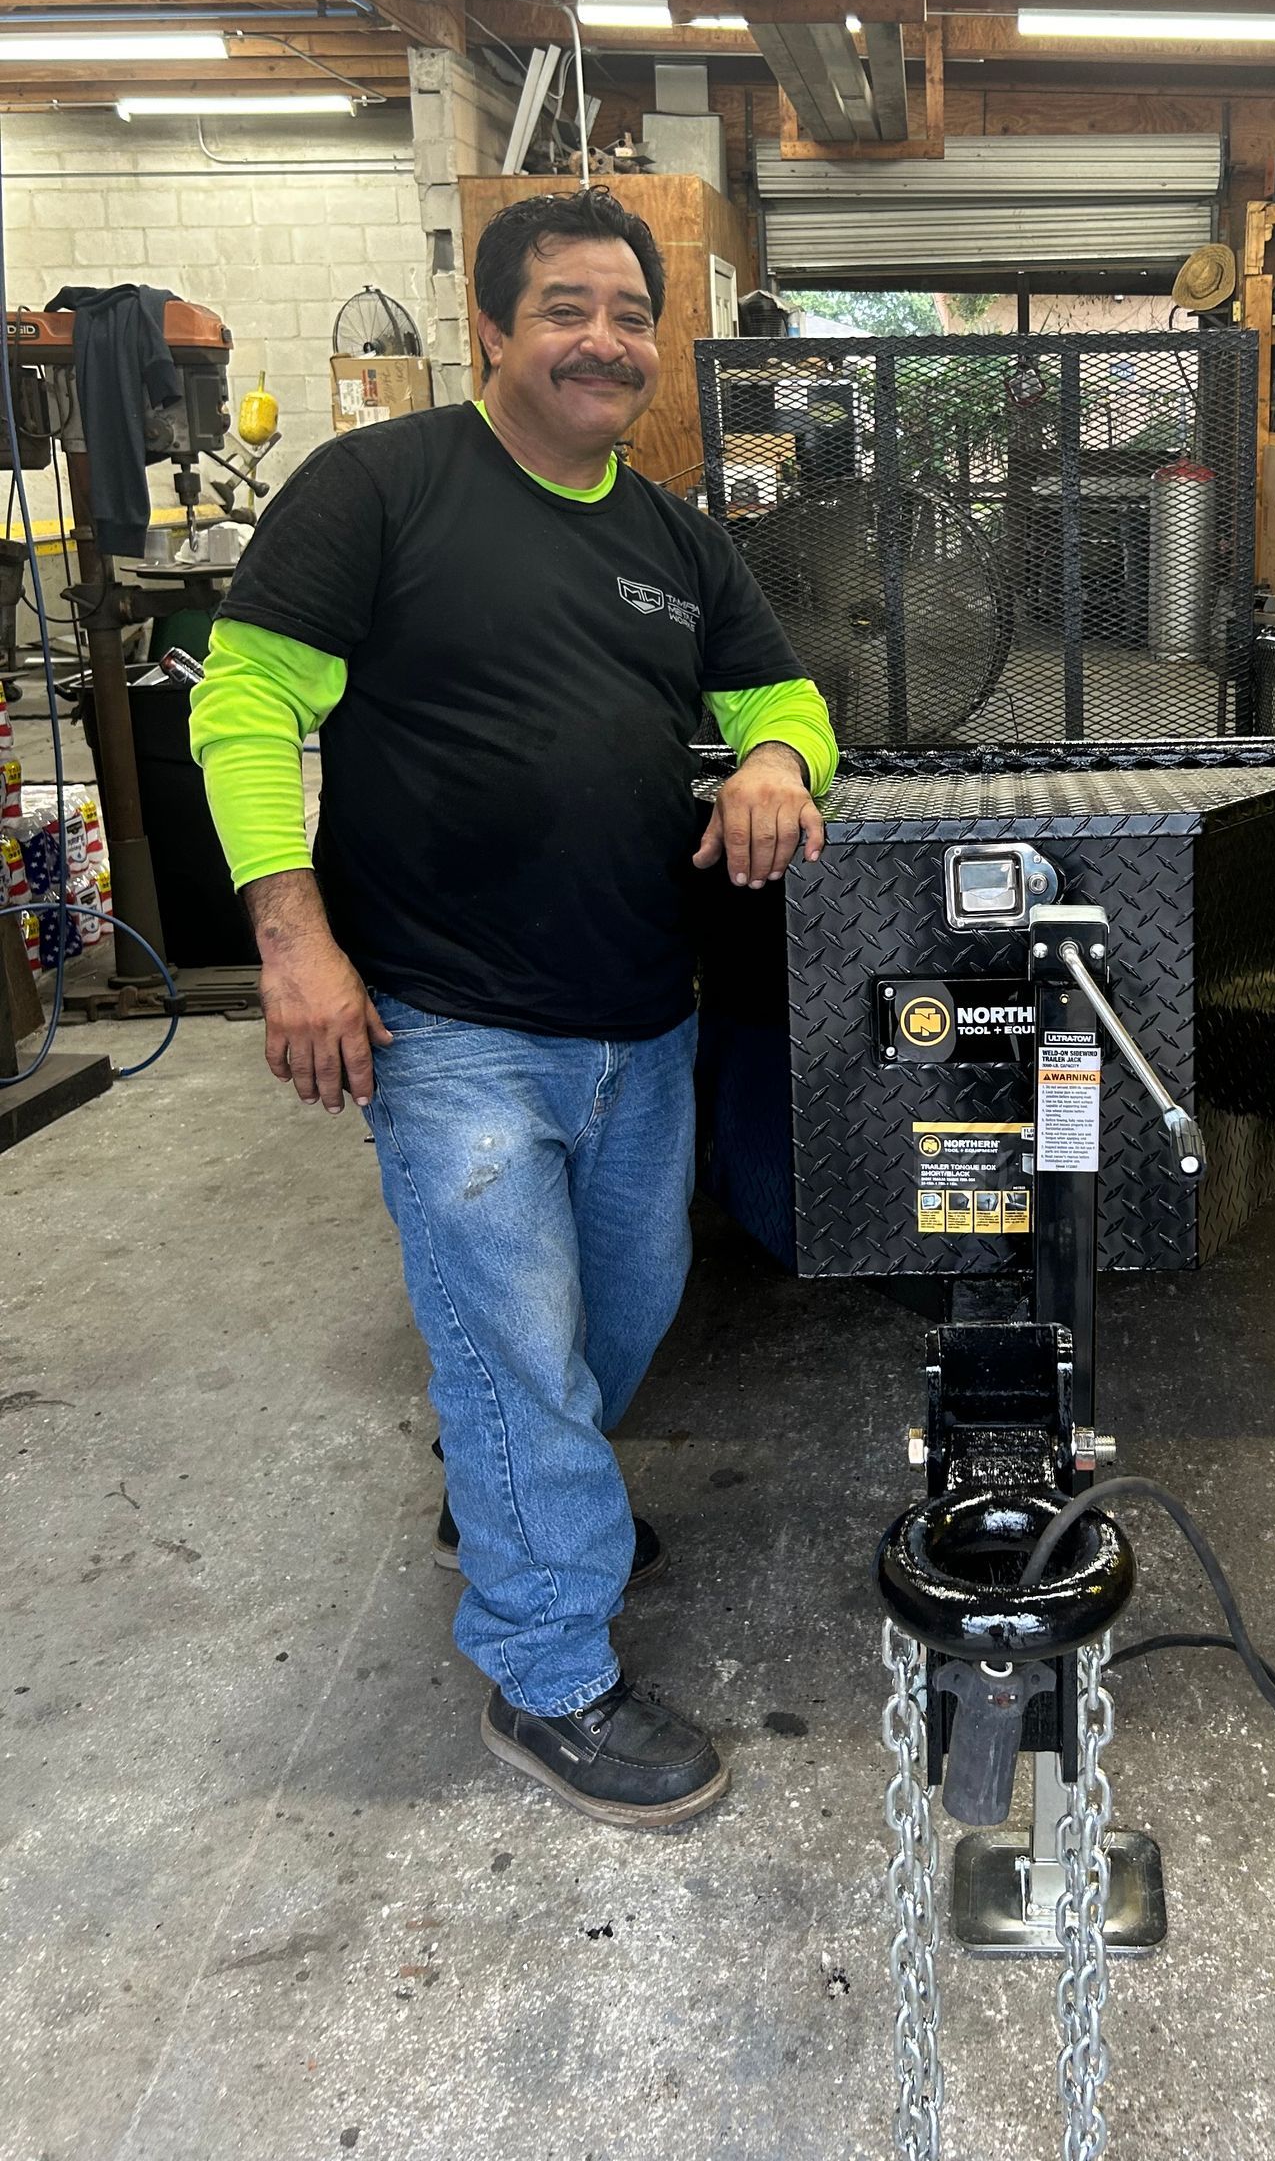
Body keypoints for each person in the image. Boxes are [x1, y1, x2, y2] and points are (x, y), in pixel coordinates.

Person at [190, 186, 836, 1831]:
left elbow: (783, 690)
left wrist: (773, 757)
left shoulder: (674, 537)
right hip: (453, 1027)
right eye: (565, 309)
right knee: (516, 1342)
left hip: (646, 1018)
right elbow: (249, 703)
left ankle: (520, 1504)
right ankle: (550, 1671)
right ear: (491, 326)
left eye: (629, 313)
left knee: (617, 1320)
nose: (603, 340)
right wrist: (292, 937)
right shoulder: (382, 490)